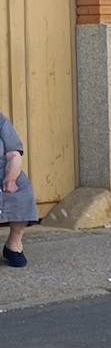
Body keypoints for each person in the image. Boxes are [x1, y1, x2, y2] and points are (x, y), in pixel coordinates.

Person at [1, 112, 39, 268]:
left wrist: (10, 179)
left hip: (3, 171)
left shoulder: (0, 121)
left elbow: (14, 154)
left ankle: (13, 246)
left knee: (23, 191)